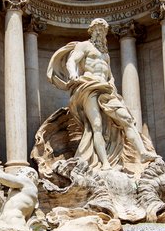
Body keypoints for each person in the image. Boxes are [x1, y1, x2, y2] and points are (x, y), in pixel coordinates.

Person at [47, 18, 157, 171]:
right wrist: (73, 74)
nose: (100, 32)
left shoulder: (105, 53)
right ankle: (104, 163)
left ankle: (143, 152)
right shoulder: (84, 46)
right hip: (88, 86)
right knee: (96, 125)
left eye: (103, 30)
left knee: (127, 119)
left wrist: (111, 82)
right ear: (91, 31)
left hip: (106, 88)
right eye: (97, 29)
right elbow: (71, 61)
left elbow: (109, 74)